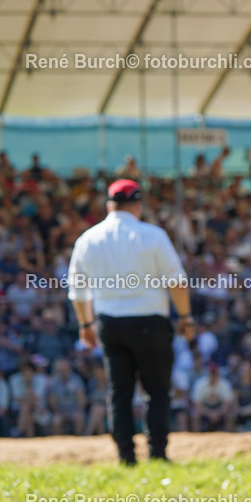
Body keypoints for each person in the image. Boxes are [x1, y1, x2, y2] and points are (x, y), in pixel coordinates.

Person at [67, 178, 195, 464]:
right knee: (157, 392)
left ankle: (126, 457)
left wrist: (85, 325)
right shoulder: (153, 235)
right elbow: (176, 281)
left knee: (119, 393)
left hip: (109, 323)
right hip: (151, 322)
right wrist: (185, 317)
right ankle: (158, 454)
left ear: (110, 205)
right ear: (137, 204)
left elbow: (77, 289)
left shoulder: (88, 238)